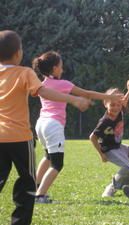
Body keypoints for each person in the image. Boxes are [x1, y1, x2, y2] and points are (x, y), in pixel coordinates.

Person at [0, 30, 90, 225]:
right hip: (20, 139)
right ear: (18, 53)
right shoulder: (25, 72)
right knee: (27, 182)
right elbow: (44, 91)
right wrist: (73, 99)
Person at [33, 51, 122, 203]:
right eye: (61, 67)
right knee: (57, 164)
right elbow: (87, 94)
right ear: (54, 68)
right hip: (53, 125)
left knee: (47, 157)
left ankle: (34, 187)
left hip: (41, 124)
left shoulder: (43, 84)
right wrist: (109, 97)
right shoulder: (64, 84)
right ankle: (40, 195)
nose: (62, 69)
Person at [89, 80, 129, 197]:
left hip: (119, 146)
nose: (116, 107)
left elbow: (124, 101)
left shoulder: (120, 109)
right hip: (110, 150)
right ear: (105, 104)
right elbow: (92, 137)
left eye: (118, 104)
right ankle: (111, 187)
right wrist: (102, 155)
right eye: (112, 105)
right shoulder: (105, 122)